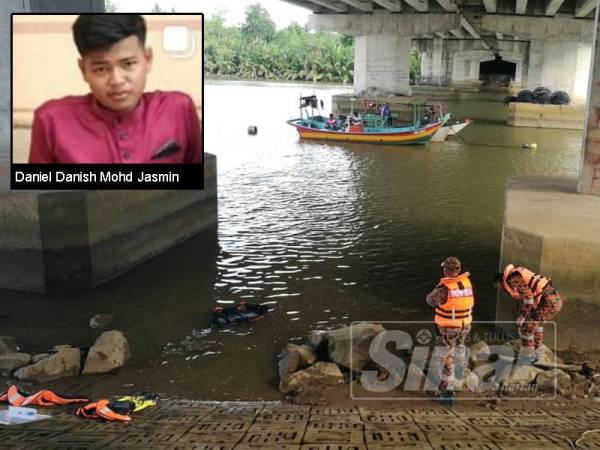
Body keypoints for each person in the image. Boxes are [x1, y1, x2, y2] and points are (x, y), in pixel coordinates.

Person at [28, 14, 202, 164]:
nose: (117, 80)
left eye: (128, 64)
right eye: (101, 69)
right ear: (84, 70)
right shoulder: (51, 120)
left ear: (147, 59)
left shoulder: (178, 109)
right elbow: (37, 197)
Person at [426, 256, 474, 404]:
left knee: (445, 360)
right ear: (458, 270)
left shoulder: (444, 288)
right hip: (465, 325)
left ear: (446, 270)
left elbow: (430, 301)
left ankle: (447, 393)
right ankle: (460, 372)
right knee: (460, 347)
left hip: (449, 328)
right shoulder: (466, 283)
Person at [495, 264, 563, 362]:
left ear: (499, 282)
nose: (501, 290)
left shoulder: (513, 279)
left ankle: (528, 356)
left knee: (526, 327)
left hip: (548, 302)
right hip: (554, 299)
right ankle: (536, 352)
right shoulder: (517, 274)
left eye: (498, 287)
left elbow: (528, 297)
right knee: (536, 326)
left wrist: (523, 316)